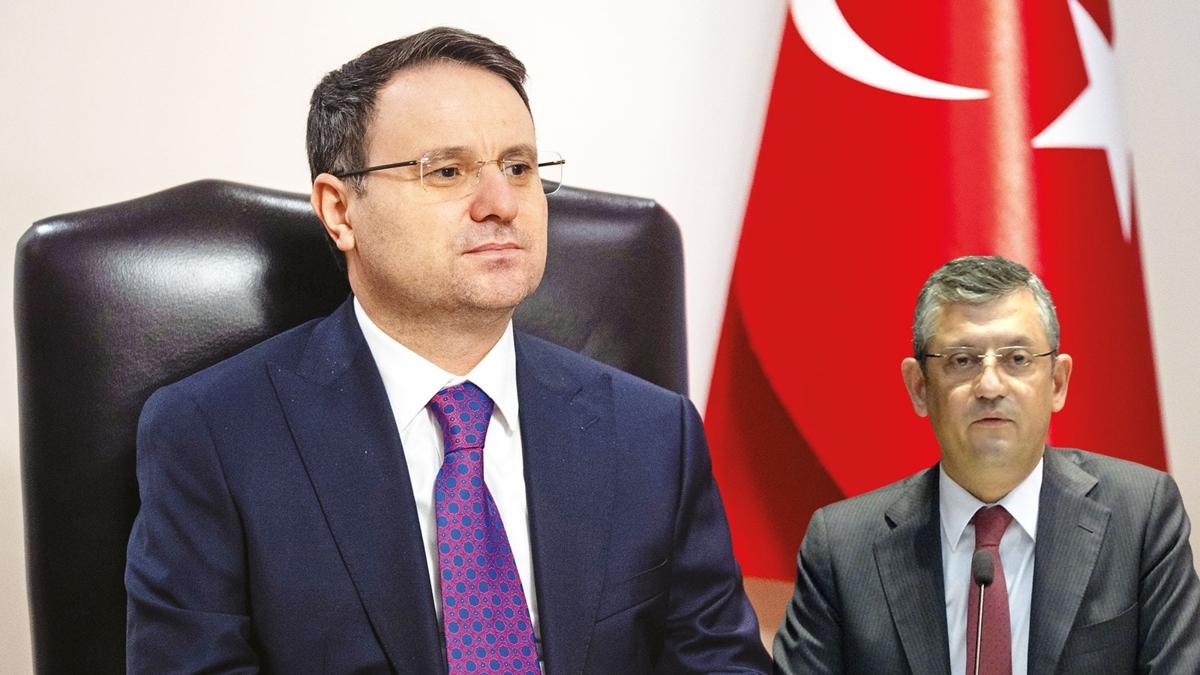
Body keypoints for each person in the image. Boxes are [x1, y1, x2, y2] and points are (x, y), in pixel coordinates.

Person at [125, 27, 769, 673]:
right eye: (447, 171)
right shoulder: (214, 434)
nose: (500, 204)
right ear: (340, 210)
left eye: (518, 167)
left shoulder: (653, 433)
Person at [773, 256, 1200, 675]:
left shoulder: (1140, 517)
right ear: (919, 387)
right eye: (962, 360)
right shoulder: (842, 548)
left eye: (1017, 359)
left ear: (1056, 382)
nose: (991, 386)